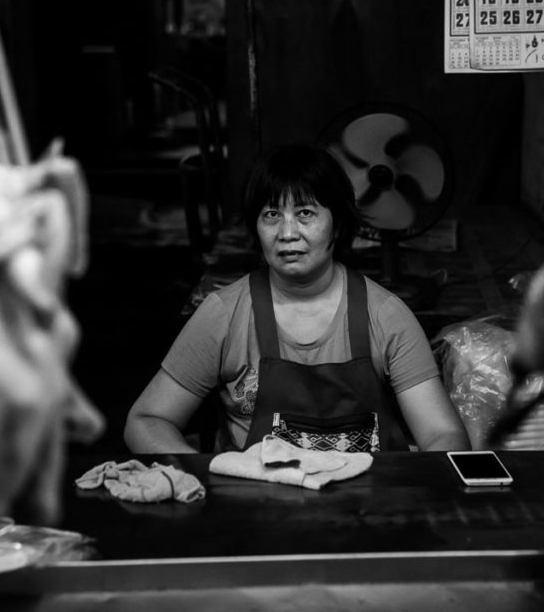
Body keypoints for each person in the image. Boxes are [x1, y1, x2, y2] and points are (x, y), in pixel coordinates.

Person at [124, 144, 471, 454]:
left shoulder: (385, 315)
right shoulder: (223, 315)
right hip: (256, 500)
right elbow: (145, 421)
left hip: (372, 499)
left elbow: (442, 434)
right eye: (271, 215)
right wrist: (211, 480)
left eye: (305, 213)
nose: (287, 233)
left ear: (337, 224)